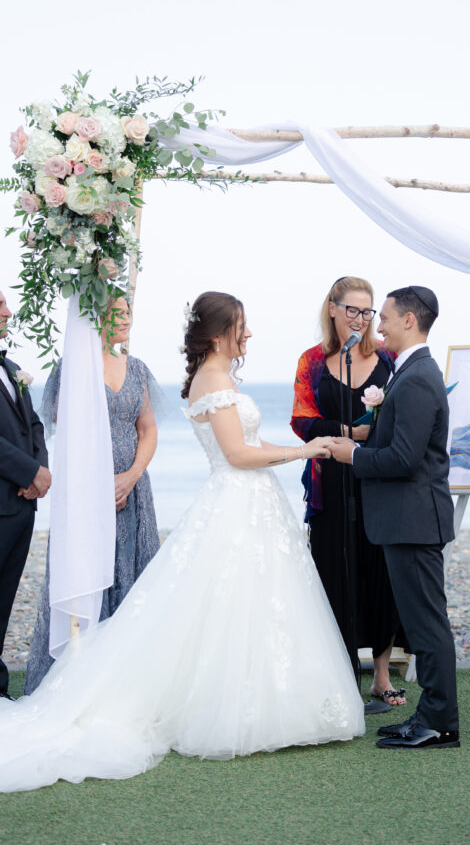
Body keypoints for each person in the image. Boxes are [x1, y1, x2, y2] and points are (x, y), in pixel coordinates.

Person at [0, 291, 364, 793]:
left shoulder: (216, 377)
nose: (250, 334)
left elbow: (234, 445)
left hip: (249, 503)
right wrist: (306, 449)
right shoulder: (213, 381)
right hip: (236, 499)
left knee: (247, 605)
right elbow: (238, 453)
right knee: (226, 605)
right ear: (218, 334)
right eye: (242, 325)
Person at [329, 286, 460, 749]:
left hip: (414, 520)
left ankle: (440, 724)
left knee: (426, 625)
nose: (376, 324)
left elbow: (405, 459)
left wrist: (354, 456)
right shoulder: (410, 373)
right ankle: (430, 714)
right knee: (422, 622)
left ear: (409, 320)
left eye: (383, 317)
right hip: (405, 520)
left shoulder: (420, 376)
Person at [25, 297, 166, 692]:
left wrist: (131, 476)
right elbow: (65, 435)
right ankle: (82, 684)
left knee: (135, 579)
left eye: (128, 313)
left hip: (134, 494)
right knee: (89, 576)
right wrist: (97, 484)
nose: (124, 320)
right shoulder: (72, 369)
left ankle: (132, 684)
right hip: (88, 497)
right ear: (95, 317)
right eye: (115, 313)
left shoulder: (137, 369)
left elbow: (148, 430)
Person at [291, 276, 405, 708]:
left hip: (378, 478)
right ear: (333, 310)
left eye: (368, 311)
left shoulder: (389, 359)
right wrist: (347, 432)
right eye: (352, 310)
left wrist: (370, 437)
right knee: (333, 573)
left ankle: (380, 674)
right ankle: (338, 675)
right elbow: (302, 420)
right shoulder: (313, 361)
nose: (360, 319)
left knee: (381, 574)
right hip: (329, 483)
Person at [0, 289, 50, 701]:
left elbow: (33, 425)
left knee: (5, 599)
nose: (9, 311)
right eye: (0, 304)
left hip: (21, 505)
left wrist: (41, 472)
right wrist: (29, 470)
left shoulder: (12, 366)